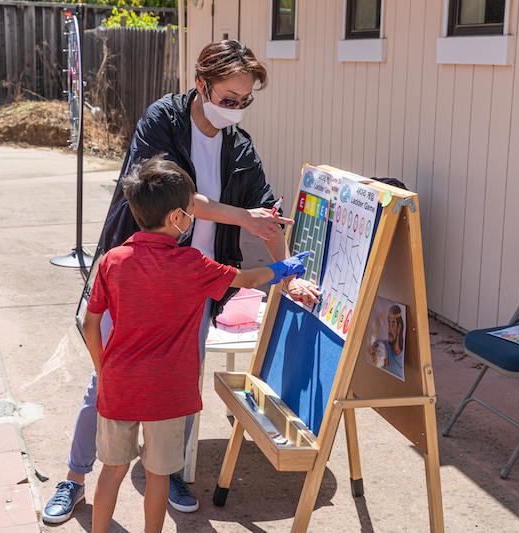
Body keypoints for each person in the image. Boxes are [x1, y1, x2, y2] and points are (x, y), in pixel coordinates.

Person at [42, 39, 321, 524]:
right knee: (104, 384)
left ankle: (168, 468)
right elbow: (176, 196)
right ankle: (75, 477)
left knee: (181, 382)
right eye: (229, 98)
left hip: (196, 285)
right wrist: (244, 217)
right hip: (138, 279)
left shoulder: (239, 146)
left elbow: (269, 217)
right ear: (201, 84)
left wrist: (288, 276)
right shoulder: (162, 120)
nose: (236, 109)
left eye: (245, 100)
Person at [83, 156, 309, 533]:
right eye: (191, 209)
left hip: (119, 384)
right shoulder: (193, 264)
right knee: (158, 475)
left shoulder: (112, 262)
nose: (193, 217)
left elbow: (91, 324)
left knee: (112, 470)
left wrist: (102, 369)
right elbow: (246, 279)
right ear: (177, 217)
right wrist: (284, 269)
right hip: (168, 392)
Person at [385, 305, 405, 379]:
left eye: (393, 326)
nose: (389, 330)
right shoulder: (385, 346)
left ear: (399, 328)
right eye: (389, 325)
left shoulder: (403, 354)